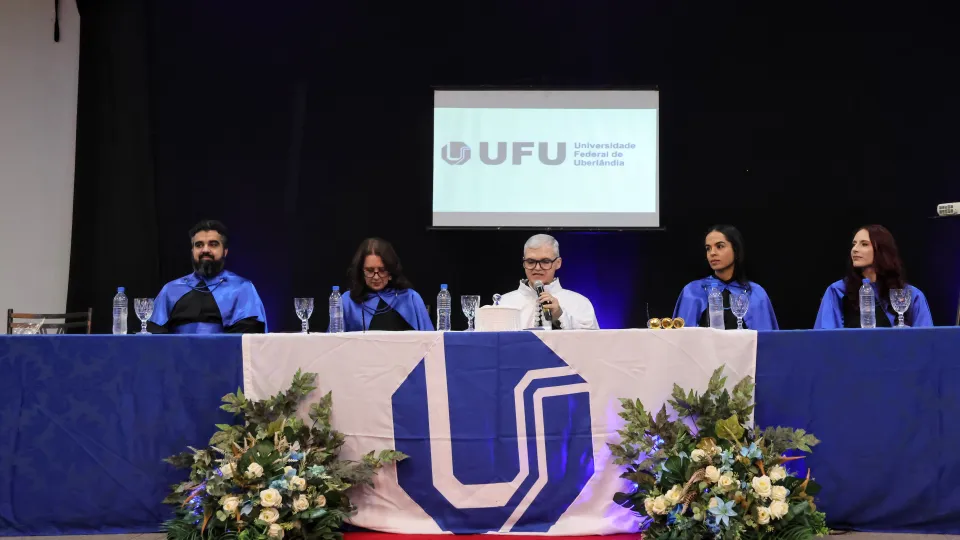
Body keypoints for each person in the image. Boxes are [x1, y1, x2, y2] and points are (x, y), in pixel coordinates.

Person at [148, 220, 267, 334]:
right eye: (199, 245)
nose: (205, 250)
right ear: (192, 251)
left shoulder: (242, 288)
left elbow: (249, 336)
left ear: (225, 251)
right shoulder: (170, 290)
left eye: (213, 244)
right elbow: (153, 335)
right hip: (176, 349)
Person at [815, 224, 933, 328]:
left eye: (864, 244)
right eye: (854, 244)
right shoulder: (837, 291)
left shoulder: (910, 295)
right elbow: (824, 339)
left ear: (882, 250)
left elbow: (926, 339)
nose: (855, 249)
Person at [673, 225, 779, 330]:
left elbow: (766, 338)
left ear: (736, 250)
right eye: (708, 248)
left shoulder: (755, 293)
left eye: (720, 246)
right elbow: (682, 337)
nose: (712, 253)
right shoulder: (692, 291)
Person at [498, 234, 599, 330]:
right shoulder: (504, 303)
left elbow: (591, 340)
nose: (537, 268)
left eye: (545, 261)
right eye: (531, 262)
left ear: (558, 263)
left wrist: (560, 316)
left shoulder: (579, 303)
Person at [339, 237, 433, 332]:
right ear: (361, 272)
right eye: (370, 270)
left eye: (382, 270)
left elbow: (431, 339)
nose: (376, 277)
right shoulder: (347, 301)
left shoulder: (410, 298)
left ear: (391, 272)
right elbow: (334, 339)